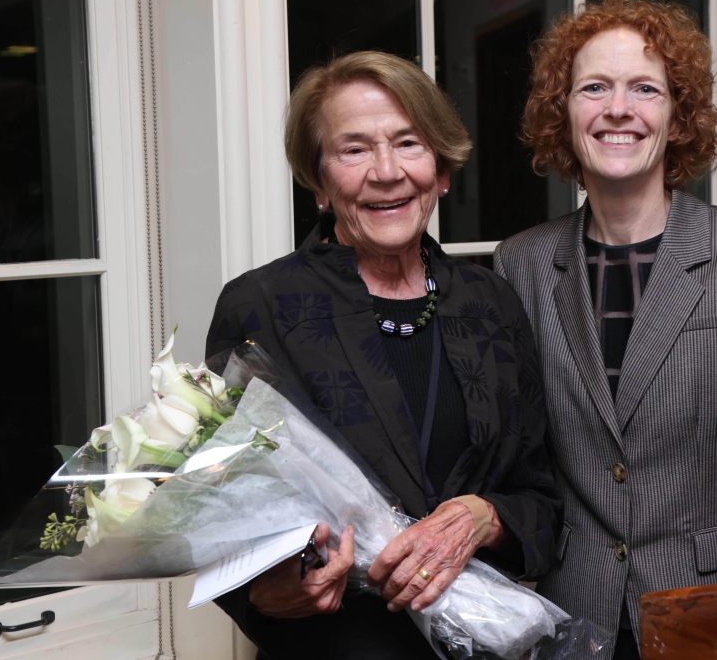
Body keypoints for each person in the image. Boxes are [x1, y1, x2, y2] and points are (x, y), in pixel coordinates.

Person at [493, 0, 717, 659]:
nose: (617, 109)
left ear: (678, 113)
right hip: (572, 617)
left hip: (716, 616)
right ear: (563, 111)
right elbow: (520, 461)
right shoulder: (522, 263)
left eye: (644, 88)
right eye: (594, 87)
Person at [205, 51, 560, 659]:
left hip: (484, 643)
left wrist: (485, 518)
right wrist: (264, 594)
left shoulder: (490, 302)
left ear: (442, 170)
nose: (387, 171)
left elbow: (543, 497)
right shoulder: (260, 306)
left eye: (409, 143)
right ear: (319, 181)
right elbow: (217, 508)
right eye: (354, 150)